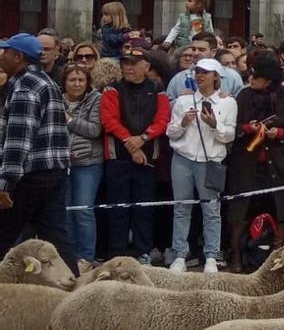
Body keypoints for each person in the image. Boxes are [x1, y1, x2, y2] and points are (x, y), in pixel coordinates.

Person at [0, 33, 77, 274]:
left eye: (6, 52)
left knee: (4, 230)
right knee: (54, 232)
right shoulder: (46, 81)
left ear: (18, 56)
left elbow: (18, 141)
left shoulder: (24, 88)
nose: (2, 57)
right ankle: (73, 283)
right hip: (54, 170)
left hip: (30, 173)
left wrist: (5, 184)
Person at [99, 40, 170, 264]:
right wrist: (132, 143)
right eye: (125, 63)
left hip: (148, 157)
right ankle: (116, 254)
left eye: (134, 63)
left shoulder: (158, 90)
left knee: (144, 208)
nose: (128, 67)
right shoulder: (112, 89)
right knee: (117, 208)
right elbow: (109, 121)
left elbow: (162, 120)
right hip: (117, 157)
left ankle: (143, 252)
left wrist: (143, 139)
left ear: (146, 67)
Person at [227, 56, 284, 272]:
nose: (251, 78)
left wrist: (279, 133)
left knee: (279, 211)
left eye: (255, 75)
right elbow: (233, 126)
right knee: (240, 212)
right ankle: (236, 257)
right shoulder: (243, 96)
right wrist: (248, 128)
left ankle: (277, 257)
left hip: (276, 165)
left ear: (267, 79)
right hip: (246, 164)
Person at [165, 58, 236, 273]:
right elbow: (170, 132)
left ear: (216, 76)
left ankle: (212, 255)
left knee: (211, 209)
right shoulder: (183, 101)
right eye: (198, 72)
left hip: (210, 161)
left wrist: (215, 125)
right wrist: (184, 122)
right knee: (181, 208)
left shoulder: (228, 102)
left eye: (206, 72)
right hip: (183, 158)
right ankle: (180, 254)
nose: (200, 76)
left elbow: (230, 135)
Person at [61, 65, 103, 268]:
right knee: (65, 211)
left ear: (87, 83)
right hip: (61, 162)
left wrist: (69, 120)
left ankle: (86, 256)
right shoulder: (55, 100)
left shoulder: (96, 99)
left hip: (88, 163)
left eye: (81, 80)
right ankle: (68, 255)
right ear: (64, 82)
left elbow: (94, 130)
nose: (76, 84)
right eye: (72, 80)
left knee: (83, 210)